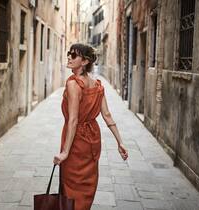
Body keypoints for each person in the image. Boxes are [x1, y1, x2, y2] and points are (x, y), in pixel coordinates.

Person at [53, 43, 128, 210]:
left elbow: (73, 120)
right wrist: (120, 142)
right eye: (69, 53)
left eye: (73, 56)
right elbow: (107, 115)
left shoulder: (73, 83)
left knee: (72, 186)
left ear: (85, 61)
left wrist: (65, 152)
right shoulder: (97, 85)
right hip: (92, 140)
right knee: (86, 185)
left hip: (76, 142)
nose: (69, 58)